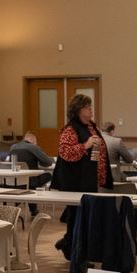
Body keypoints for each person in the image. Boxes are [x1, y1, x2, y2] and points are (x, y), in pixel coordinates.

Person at [50, 94, 108, 252]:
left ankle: (71, 244)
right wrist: (86, 145)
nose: (91, 111)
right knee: (77, 216)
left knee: (85, 216)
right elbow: (65, 153)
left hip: (90, 179)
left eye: (91, 107)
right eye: (87, 108)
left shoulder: (91, 126)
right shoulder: (70, 129)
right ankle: (73, 248)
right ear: (78, 110)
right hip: (76, 182)